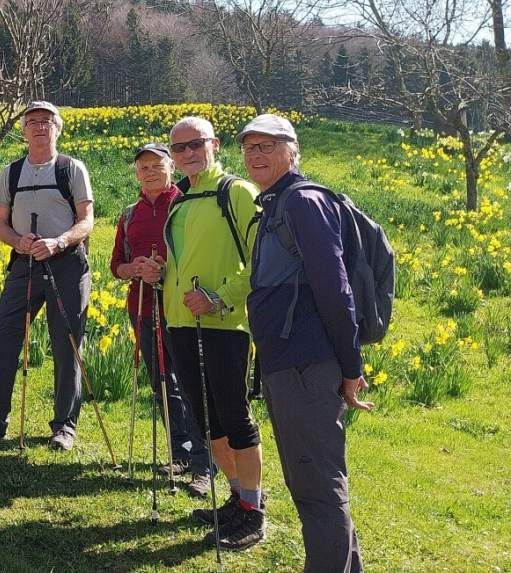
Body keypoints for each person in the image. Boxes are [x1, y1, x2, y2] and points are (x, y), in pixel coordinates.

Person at [242, 113, 371, 571]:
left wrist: (351, 367)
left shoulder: (302, 202)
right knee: (312, 481)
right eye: (250, 147)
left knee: (317, 486)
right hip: (289, 362)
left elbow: (336, 289)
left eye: (268, 146)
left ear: (293, 151)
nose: (256, 155)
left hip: (305, 364)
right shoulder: (277, 203)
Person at [0, 102, 92, 450]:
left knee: (67, 345)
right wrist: (18, 241)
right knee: (1, 336)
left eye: (46, 121)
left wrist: (59, 241)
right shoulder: (11, 172)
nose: (39, 126)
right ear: (24, 131)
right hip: (24, 264)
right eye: (32, 122)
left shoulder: (71, 169)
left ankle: (64, 427)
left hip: (67, 264)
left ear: (58, 128)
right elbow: (0, 223)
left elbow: (87, 220)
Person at [162, 115, 265, 550]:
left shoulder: (236, 192)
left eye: (195, 144)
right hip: (180, 323)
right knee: (208, 422)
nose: (187, 153)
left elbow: (263, 260)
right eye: (179, 148)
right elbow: (184, 261)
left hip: (225, 325)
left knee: (235, 419)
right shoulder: (180, 199)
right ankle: (239, 500)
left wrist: (220, 298)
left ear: (215, 144)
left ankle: (254, 512)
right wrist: (157, 271)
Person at [109, 142, 214, 496]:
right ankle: (179, 452)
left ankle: (204, 464)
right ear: (136, 174)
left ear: (171, 168)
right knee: (163, 384)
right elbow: (116, 265)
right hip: (141, 309)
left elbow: (199, 259)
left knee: (194, 385)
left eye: (157, 165)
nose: (150, 171)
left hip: (181, 311)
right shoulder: (129, 214)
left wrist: (165, 270)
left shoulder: (187, 206)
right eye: (144, 167)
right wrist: (135, 268)